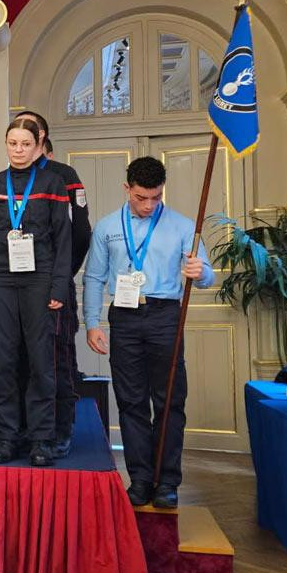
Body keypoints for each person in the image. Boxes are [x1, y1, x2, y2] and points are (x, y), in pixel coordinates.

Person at [82, 156, 214, 510]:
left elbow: (207, 276)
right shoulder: (108, 227)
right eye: (141, 197)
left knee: (169, 399)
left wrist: (200, 272)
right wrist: (92, 322)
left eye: (156, 197)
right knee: (131, 401)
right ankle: (140, 479)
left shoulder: (183, 226)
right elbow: (94, 277)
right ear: (127, 189)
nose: (149, 205)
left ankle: (167, 480)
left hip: (164, 315)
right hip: (124, 316)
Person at [0, 117, 71, 467]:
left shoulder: (53, 183)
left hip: (39, 277)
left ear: (39, 145)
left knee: (41, 361)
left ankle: (42, 438)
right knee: (3, 359)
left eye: (26, 144)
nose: (19, 150)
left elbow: (63, 241)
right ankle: (6, 436)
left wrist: (59, 285)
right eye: (13, 143)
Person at [17, 110, 92, 457]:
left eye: (28, 133)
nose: (21, 142)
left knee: (57, 358)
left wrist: (60, 278)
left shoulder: (63, 176)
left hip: (53, 286)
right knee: (21, 358)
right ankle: (27, 430)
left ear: (41, 138)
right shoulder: (7, 180)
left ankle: (61, 428)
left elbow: (79, 233)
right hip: (16, 289)